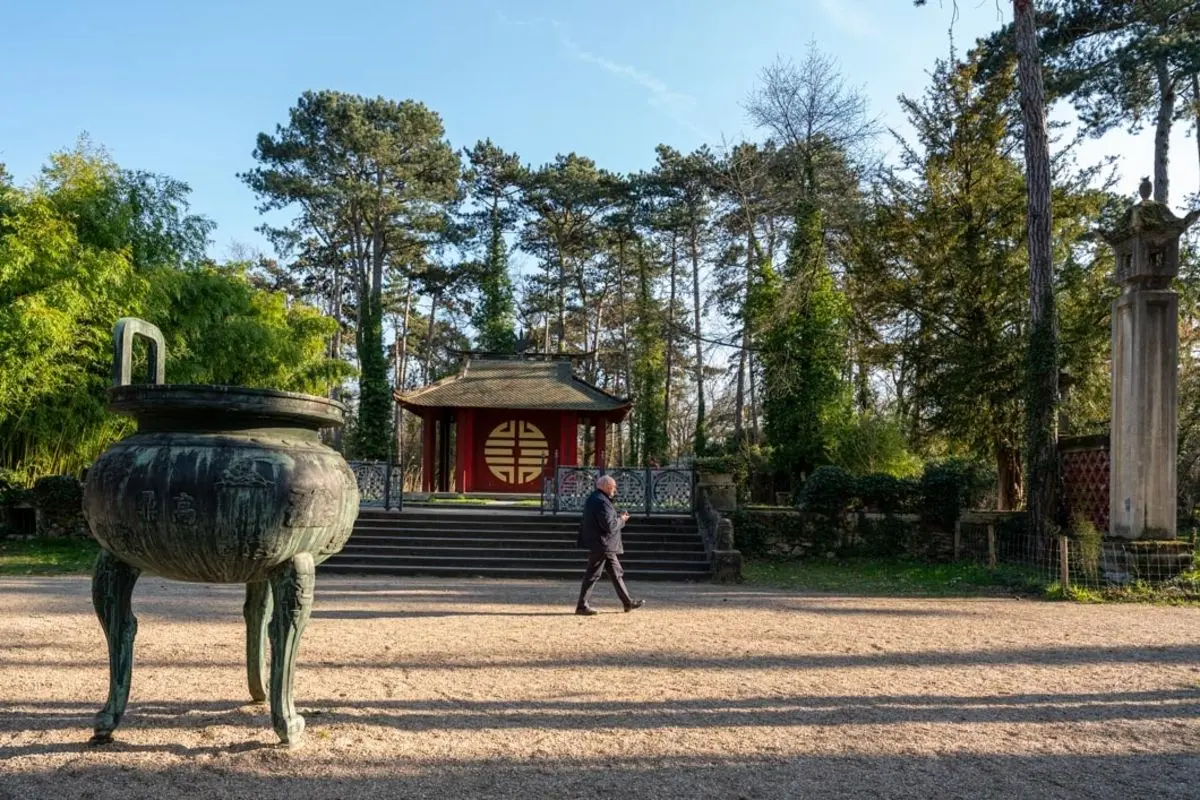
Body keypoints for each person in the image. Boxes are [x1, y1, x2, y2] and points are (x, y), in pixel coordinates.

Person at [575, 475, 645, 616]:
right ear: (607, 486)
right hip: (603, 544)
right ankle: (582, 606)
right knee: (593, 574)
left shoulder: (595, 498)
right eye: (614, 487)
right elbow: (610, 526)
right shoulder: (602, 501)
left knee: (615, 573)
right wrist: (622, 519)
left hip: (603, 544)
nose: (615, 490)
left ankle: (627, 602)